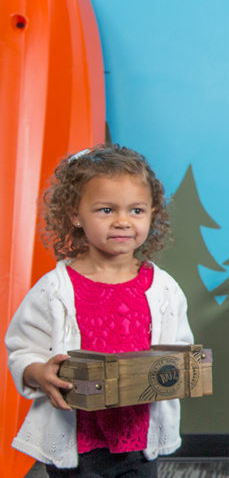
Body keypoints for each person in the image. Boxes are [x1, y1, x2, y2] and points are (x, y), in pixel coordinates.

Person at [6, 144, 193, 477]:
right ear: (76, 215)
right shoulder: (55, 289)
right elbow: (22, 348)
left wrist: (177, 370)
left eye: (136, 211)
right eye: (106, 210)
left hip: (138, 438)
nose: (123, 221)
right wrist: (39, 373)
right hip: (77, 441)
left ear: (152, 213)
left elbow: (177, 352)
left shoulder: (163, 289)